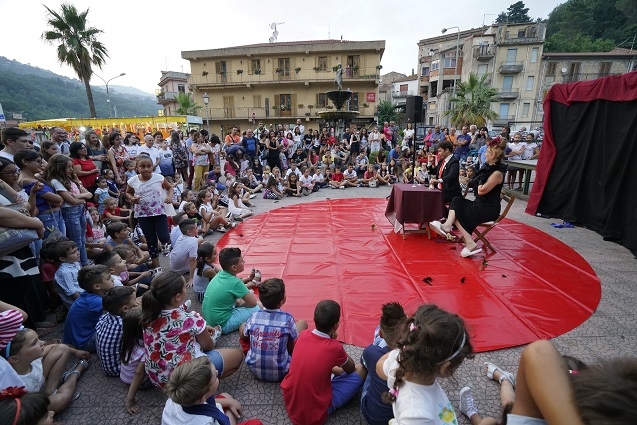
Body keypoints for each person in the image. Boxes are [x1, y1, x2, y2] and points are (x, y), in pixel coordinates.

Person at [377, 304, 496, 425]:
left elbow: (379, 366)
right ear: (445, 367)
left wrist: (400, 351)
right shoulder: (416, 415)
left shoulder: (400, 359)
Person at [140, 271, 243, 389]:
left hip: (159, 378)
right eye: (184, 287)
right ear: (177, 296)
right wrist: (201, 334)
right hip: (183, 379)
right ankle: (202, 388)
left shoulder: (147, 315)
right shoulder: (191, 318)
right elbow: (209, 346)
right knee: (237, 356)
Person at [281, 300, 366, 425]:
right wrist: (334, 343)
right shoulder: (335, 347)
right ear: (336, 325)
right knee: (362, 369)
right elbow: (351, 368)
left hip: (291, 400)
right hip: (315, 411)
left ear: (314, 319)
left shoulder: (303, 335)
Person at [431, 139, 506, 257]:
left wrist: (480, 178)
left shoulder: (497, 173)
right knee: (456, 201)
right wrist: (473, 179)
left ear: (494, 155)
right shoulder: (487, 169)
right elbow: (472, 184)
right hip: (480, 204)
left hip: (488, 209)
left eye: (487, 152)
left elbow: (481, 191)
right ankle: (466, 239)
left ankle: (449, 227)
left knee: (456, 207)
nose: (484, 154)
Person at [4, 327, 90, 413]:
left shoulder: (32, 357)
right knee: (62, 400)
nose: (42, 343)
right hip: (31, 401)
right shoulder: (15, 385)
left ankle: (51, 390)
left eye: (38, 339)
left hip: (39, 379)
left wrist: (75, 351)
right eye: (34, 343)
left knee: (63, 349)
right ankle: (74, 374)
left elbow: (53, 346)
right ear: (15, 359)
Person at [162, 356, 264, 425]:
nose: (217, 371)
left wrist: (229, 402)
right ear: (203, 398)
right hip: (205, 420)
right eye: (215, 376)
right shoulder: (205, 422)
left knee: (226, 397)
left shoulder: (176, 397)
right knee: (256, 423)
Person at [239, 278, 307, 382]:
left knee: (244, 325)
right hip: (282, 371)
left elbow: (244, 337)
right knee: (302, 323)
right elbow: (292, 344)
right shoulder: (287, 319)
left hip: (254, 370)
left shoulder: (254, 316)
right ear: (282, 301)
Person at [360, 302, 407, 425]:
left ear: (381, 333)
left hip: (372, 414)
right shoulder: (419, 361)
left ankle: (379, 341)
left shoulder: (370, 352)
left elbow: (363, 364)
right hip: (401, 418)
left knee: (369, 368)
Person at [44, 154, 93, 266]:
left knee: (82, 240)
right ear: (59, 168)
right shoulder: (56, 181)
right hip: (71, 212)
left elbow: (89, 194)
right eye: (68, 167)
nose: (71, 169)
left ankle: (84, 262)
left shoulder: (71, 179)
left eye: (71, 166)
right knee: (76, 242)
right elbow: (72, 201)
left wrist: (77, 197)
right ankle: (80, 265)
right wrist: (80, 198)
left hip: (80, 211)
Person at [125, 155, 173, 269]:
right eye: (142, 166)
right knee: (151, 241)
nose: (146, 169)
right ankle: (157, 267)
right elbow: (128, 192)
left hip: (159, 212)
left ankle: (166, 244)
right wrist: (132, 198)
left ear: (153, 166)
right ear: (137, 167)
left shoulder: (159, 178)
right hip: (143, 214)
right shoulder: (132, 181)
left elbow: (169, 187)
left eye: (149, 166)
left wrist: (170, 196)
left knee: (164, 236)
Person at [202, 247, 260, 334]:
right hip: (223, 324)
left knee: (240, 298)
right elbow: (253, 303)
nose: (244, 262)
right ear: (234, 267)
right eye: (241, 261)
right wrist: (242, 306)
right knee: (256, 308)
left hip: (209, 320)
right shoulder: (235, 282)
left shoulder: (221, 274)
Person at [63, 264, 115, 352]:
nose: (113, 279)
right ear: (97, 286)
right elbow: (121, 310)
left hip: (77, 340)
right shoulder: (96, 302)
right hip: (84, 343)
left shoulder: (90, 295)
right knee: (120, 325)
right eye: (109, 278)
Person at [95, 286, 137, 377]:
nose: (136, 301)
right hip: (117, 369)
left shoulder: (105, 316)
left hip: (108, 365)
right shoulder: (125, 324)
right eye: (134, 300)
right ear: (125, 309)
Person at [169, 219, 201, 286]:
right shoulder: (193, 241)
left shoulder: (181, 237)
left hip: (173, 265)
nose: (198, 229)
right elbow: (192, 260)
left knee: (200, 244)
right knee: (204, 249)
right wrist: (191, 278)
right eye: (196, 228)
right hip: (181, 269)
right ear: (189, 232)